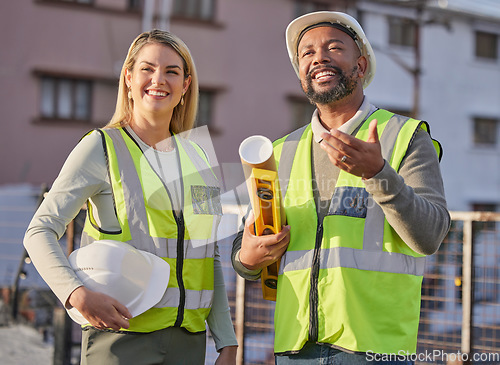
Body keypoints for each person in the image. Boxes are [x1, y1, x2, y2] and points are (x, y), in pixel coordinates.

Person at [232, 11, 450, 365]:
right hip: (294, 348)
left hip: (375, 349)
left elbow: (430, 235)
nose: (319, 57)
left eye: (335, 47)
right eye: (307, 53)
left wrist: (378, 173)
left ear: (361, 66)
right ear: (302, 72)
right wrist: (246, 259)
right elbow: (245, 248)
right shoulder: (278, 152)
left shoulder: (405, 137)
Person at [24, 30, 238, 365]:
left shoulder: (200, 158)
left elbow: (207, 257)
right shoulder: (100, 147)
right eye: (147, 69)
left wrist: (227, 341)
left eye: (172, 71)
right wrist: (76, 295)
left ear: (185, 86)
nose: (158, 80)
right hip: (120, 341)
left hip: (189, 345)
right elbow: (39, 232)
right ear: (128, 77)